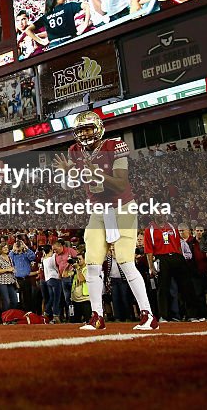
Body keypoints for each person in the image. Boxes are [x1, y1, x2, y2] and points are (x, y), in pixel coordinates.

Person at [54, 111, 157, 331]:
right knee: (91, 264)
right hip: (98, 210)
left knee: (125, 261)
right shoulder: (74, 151)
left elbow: (120, 184)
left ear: (98, 128)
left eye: (88, 129)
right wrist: (67, 174)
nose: (84, 134)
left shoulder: (114, 146)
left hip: (122, 208)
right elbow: (69, 185)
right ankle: (97, 316)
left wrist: (97, 174)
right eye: (80, 130)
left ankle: (148, 315)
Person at [24, 0, 91, 49]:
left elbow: (28, 30)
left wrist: (41, 41)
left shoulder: (45, 16)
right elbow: (86, 5)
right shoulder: (68, 6)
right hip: (70, 40)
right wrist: (85, 24)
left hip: (54, 45)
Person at [0, 243, 18, 313]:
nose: (6, 249)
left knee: (15, 300)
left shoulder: (9, 257)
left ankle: (11, 316)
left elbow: (11, 268)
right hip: (2, 282)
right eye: (4, 248)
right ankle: (5, 318)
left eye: (6, 247)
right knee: (6, 301)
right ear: (0, 249)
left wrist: (13, 270)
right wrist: (7, 269)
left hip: (11, 281)